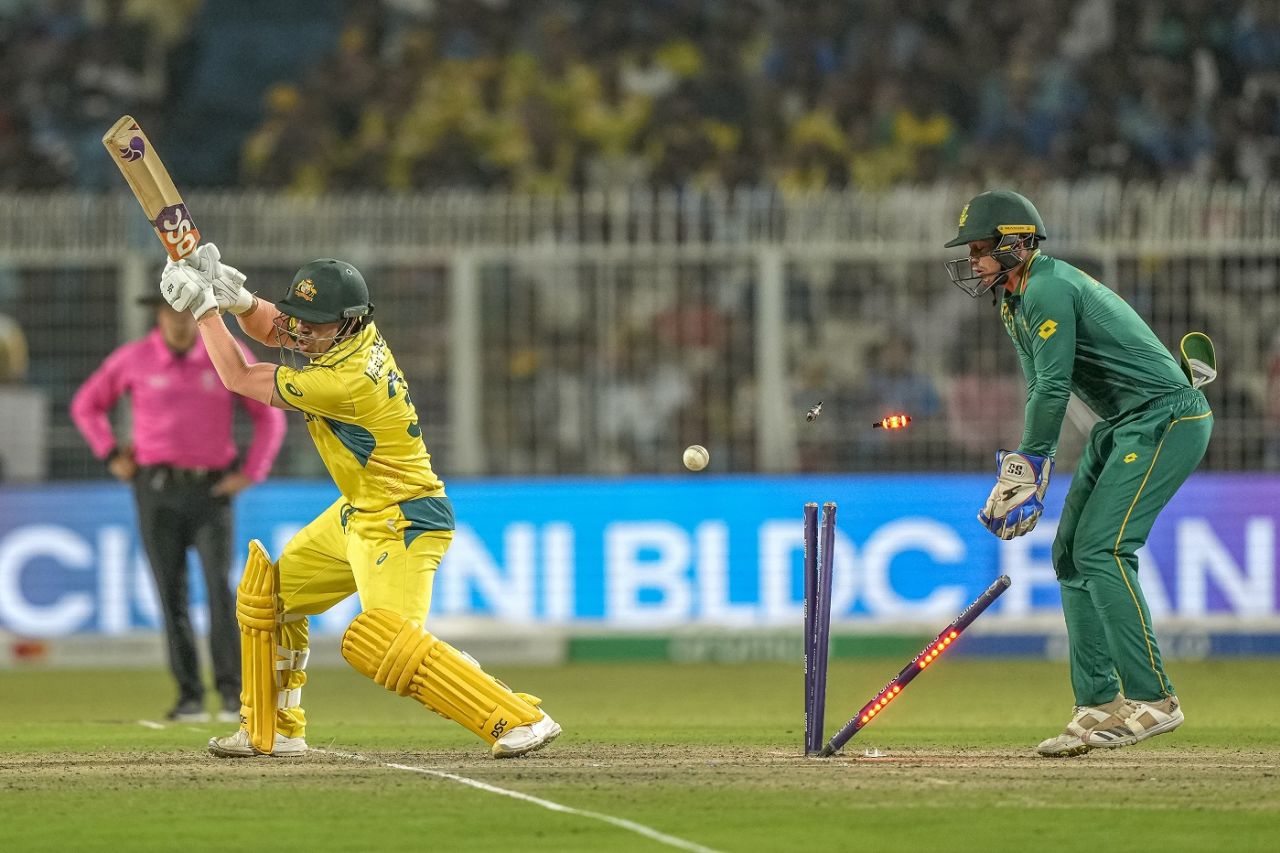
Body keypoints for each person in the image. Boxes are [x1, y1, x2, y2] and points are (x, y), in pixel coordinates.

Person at [158, 245, 560, 759]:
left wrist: (205, 311)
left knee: (381, 642)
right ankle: (273, 730)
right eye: (299, 317)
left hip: (404, 518)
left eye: (314, 323)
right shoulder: (347, 337)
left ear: (346, 324)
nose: (300, 331)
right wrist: (237, 299)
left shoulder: (345, 381)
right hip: (361, 511)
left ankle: (520, 719)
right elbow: (277, 326)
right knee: (270, 598)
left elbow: (239, 377)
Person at [943, 190, 1213, 758]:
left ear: (1016, 243)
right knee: (1069, 554)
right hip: (1122, 424)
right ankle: (1099, 703)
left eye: (981, 249)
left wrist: (1030, 466)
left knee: (1105, 549)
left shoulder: (1047, 288)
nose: (973, 262)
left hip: (1167, 417)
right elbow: (1041, 387)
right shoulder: (1014, 301)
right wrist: (1025, 467)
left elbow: (1056, 385)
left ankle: (1155, 700)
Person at [70, 292, 286, 723]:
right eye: (172, 310)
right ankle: (189, 695)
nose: (180, 319)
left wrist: (252, 471)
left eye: (187, 309)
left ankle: (231, 696)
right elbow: (86, 406)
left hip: (211, 490)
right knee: (171, 595)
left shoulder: (223, 354)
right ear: (159, 313)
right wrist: (110, 453)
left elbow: (269, 413)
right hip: (155, 489)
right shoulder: (133, 359)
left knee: (221, 593)